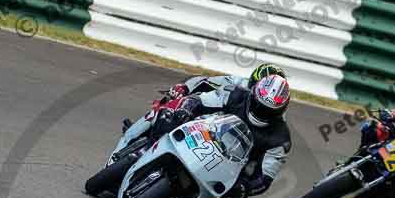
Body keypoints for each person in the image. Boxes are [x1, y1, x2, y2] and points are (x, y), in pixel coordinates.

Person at [171, 73, 293, 198]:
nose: (261, 112)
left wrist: (243, 187)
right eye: (259, 105)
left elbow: (264, 179)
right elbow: (200, 101)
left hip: (231, 173)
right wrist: (186, 110)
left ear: (281, 110)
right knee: (167, 120)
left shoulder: (280, 139)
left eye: (268, 111)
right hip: (202, 137)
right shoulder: (235, 95)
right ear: (254, 94)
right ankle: (138, 147)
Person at [116, 63, 287, 152]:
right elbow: (202, 80)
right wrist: (183, 89)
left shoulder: (276, 119)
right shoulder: (237, 84)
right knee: (170, 107)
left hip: (233, 146)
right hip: (210, 117)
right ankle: (140, 133)